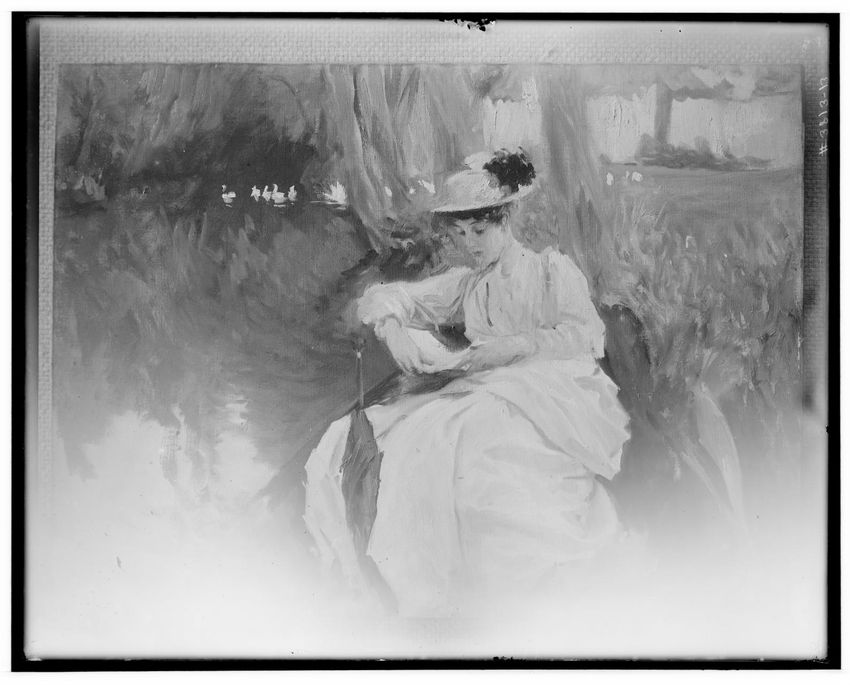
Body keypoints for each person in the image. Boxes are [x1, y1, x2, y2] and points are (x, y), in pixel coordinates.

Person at [304, 150, 631, 617]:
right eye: (460, 234)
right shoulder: (469, 284)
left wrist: (512, 347)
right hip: (483, 387)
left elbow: (587, 336)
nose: (470, 244)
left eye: (479, 231)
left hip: (547, 389)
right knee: (394, 437)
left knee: (467, 446)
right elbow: (385, 298)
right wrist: (395, 331)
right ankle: (424, 584)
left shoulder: (549, 270)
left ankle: (490, 593)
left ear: (506, 220)